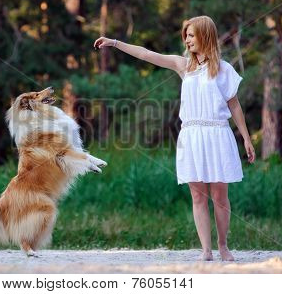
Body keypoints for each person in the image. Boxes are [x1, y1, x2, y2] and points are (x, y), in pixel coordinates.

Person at [93, 15, 256, 261]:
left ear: (205, 36)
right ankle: (206, 250)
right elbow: (147, 54)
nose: (187, 40)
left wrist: (246, 138)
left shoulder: (224, 69)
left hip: (217, 133)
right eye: (186, 35)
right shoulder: (184, 66)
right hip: (191, 135)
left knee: (220, 195)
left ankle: (223, 246)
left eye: (191, 35)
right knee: (198, 195)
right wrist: (115, 43)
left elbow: (234, 106)